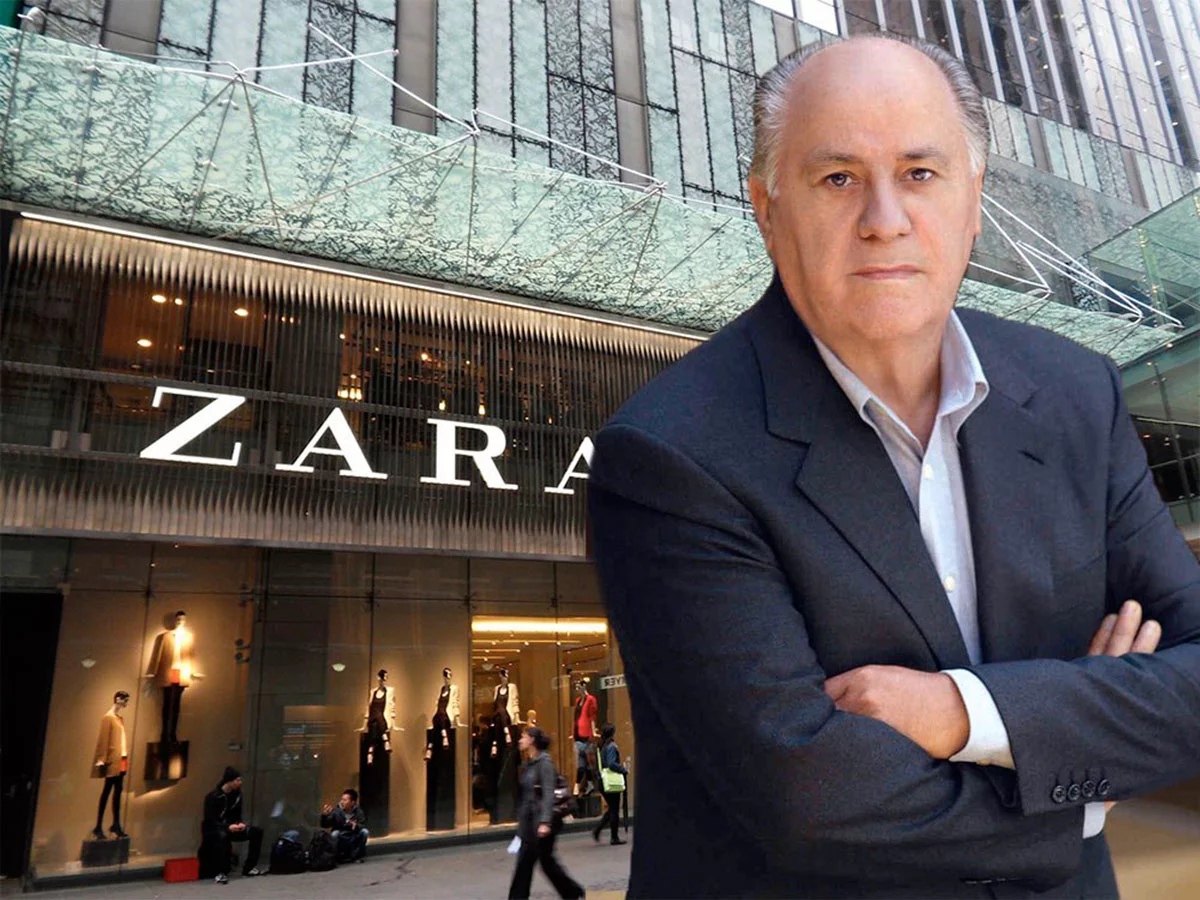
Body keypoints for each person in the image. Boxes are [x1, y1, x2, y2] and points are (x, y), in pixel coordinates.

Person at [587, 32, 1200, 899]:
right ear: (767, 209)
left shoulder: (1077, 394)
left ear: (973, 200)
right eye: (838, 179)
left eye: (920, 172)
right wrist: (1082, 776)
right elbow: (809, 798)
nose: (885, 219)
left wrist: (963, 715)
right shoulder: (670, 453)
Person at [507, 726, 584, 900]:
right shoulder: (529, 764)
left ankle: (572, 891)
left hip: (541, 824)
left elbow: (549, 793)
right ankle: (572, 892)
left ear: (532, 740)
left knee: (539, 863)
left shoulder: (544, 763)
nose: (520, 740)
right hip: (529, 824)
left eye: (523, 737)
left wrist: (545, 822)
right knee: (534, 863)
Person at [198, 766, 264, 883]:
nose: (240, 783)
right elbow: (210, 819)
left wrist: (239, 824)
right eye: (237, 780)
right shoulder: (213, 797)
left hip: (231, 826)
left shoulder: (237, 795)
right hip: (215, 829)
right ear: (229, 781)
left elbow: (237, 814)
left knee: (256, 832)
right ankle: (221, 872)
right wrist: (227, 827)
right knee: (222, 836)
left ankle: (249, 867)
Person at [145, 610, 200, 744]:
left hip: (181, 673)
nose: (180, 622)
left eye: (182, 620)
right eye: (178, 619)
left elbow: (191, 655)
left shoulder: (188, 637)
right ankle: (164, 733)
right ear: (175, 620)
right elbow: (157, 655)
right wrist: (152, 671)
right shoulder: (165, 636)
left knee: (176, 705)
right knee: (167, 703)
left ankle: (173, 733)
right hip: (168, 673)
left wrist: (193, 671)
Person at [91, 690, 130, 840]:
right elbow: (104, 739)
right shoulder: (108, 718)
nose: (126, 703)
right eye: (124, 700)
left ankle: (116, 823)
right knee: (107, 790)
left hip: (121, 758)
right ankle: (98, 826)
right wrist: (101, 758)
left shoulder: (119, 718)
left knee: (118, 791)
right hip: (112, 760)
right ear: (118, 699)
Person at [591, 723, 627, 846]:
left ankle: (598, 830)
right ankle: (614, 837)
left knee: (612, 808)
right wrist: (622, 769)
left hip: (603, 781)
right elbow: (611, 764)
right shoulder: (611, 746)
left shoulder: (603, 747)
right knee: (614, 809)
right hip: (611, 781)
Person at [320, 788, 368, 863]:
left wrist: (356, 825)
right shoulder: (336, 811)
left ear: (352, 803)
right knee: (334, 834)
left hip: (352, 834)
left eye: (345, 800)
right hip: (341, 834)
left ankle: (357, 856)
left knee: (365, 832)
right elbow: (325, 825)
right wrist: (324, 816)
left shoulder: (358, 811)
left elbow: (363, 824)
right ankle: (335, 857)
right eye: (342, 799)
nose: (342, 802)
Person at [571, 679, 598, 794]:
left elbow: (592, 717)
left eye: (578, 687)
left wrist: (593, 731)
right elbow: (576, 717)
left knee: (587, 763)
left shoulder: (591, 699)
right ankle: (583, 784)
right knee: (582, 763)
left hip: (587, 735)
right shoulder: (578, 700)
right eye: (576, 687)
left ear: (584, 686)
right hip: (578, 734)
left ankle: (580, 785)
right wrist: (573, 732)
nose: (577, 689)